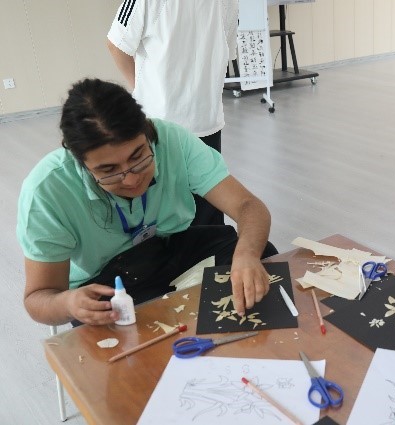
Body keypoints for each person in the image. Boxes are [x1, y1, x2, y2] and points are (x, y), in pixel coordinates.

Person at [17, 78, 276, 326]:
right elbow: (38, 297)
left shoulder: (171, 139)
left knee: (260, 260)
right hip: (105, 281)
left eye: (139, 157)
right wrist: (68, 304)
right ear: (80, 162)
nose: (130, 180)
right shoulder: (47, 190)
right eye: (109, 170)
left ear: (147, 131)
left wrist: (247, 254)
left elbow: (248, 206)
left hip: (172, 245)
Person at [106, 0, 238, 226]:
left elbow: (224, 47)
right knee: (164, 213)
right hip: (160, 125)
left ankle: (210, 257)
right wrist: (140, 91)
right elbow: (116, 44)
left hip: (206, 120)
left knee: (208, 209)